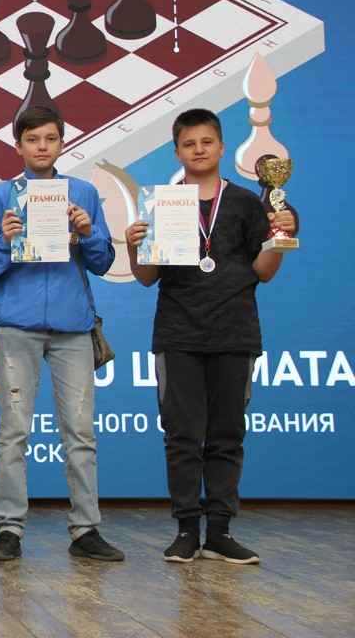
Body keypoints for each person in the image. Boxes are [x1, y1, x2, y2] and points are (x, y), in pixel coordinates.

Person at [124, 108, 296, 565]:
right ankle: (186, 530)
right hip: (178, 334)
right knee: (182, 437)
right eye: (189, 144)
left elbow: (264, 272)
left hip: (234, 332)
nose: (198, 150)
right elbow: (146, 278)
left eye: (206, 142)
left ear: (221, 147)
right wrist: (134, 247)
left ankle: (219, 532)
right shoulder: (162, 203)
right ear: (176, 151)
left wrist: (278, 239)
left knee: (227, 435)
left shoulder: (246, 202)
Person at [0, 106, 123, 563]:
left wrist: (87, 232)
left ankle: (85, 528)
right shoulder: (1, 196)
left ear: (62, 143)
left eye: (50, 138)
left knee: (80, 431)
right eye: (33, 139)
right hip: (17, 327)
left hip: (73, 329)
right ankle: (9, 528)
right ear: (18, 145)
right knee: (14, 431)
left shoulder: (83, 193)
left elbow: (104, 262)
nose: (42, 146)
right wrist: (4, 241)